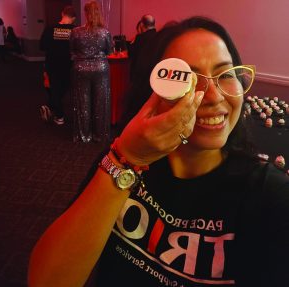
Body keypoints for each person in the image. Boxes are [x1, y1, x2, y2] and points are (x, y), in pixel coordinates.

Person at [28, 16, 289, 287]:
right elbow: (46, 280)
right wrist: (126, 160)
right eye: (188, 79)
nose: (213, 97)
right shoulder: (124, 159)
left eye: (225, 75)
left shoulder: (270, 194)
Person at [69, 1, 112, 143]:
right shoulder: (105, 32)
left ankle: (83, 136)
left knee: (83, 102)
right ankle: (100, 135)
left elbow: (72, 51)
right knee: (101, 102)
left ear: (85, 13)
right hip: (100, 68)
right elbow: (109, 51)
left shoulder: (76, 32)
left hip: (81, 68)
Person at [39, 5, 76, 125]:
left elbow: (42, 46)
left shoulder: (50, 28)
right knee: (64, 87)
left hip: (52, 63)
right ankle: (55, 111)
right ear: (74, 18)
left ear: (62, 14)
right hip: (69, 64)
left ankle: (56, 113)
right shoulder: (76, 30)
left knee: (54, 88)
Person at [128, 14, 157, 81]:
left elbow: (131, 53)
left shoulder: (140, 38)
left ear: (142, 24)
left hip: (140, 75)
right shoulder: (159, 36)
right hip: (153, 74)